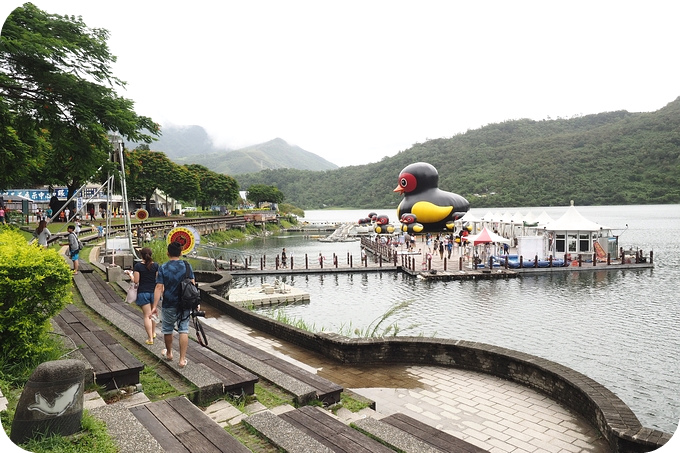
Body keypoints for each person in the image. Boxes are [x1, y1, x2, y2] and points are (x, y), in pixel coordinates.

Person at [149, 241, 196, 368]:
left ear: (167, 253)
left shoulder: (163, 267)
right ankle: (182, 360)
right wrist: (195, 303)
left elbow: (159, 287)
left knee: (168, 329)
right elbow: (192, 284)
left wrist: (154, 306)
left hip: (168, 303)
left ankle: (169, 353)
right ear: (181, 252)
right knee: (184, 329)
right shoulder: (187, 266)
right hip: (184, 303)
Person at [133, 247, 159, 345]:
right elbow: (158, 279)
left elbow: (136, 281)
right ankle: (153, 333)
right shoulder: (156, 266)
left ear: (141, 255)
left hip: (143, 292)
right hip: (154, 292)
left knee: (146, 316)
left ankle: (150, 339)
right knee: (153, 314)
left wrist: (130, 276)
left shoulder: (138, 266)